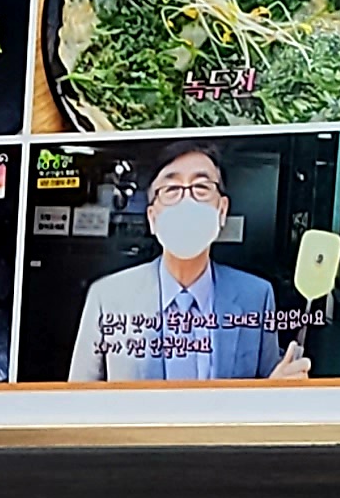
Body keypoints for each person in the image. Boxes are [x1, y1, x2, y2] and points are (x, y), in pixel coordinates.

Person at [65, 146, 313, 381]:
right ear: (152, 217)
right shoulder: (107, 297)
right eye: (172, 189)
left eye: (201, 187)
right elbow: (79, 398)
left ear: (222, 211)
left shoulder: (256, 296)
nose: (187, 200)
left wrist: (282, 386)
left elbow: (269, 388)